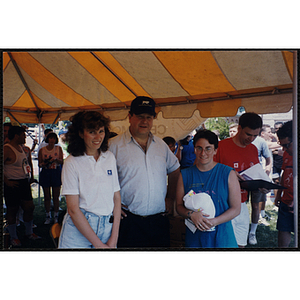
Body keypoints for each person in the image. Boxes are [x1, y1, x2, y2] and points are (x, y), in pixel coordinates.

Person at [109, 96, 180, 248]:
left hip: (159, 221)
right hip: (128, 221)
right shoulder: (113, 146)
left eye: (149, 117)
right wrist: (111, 204)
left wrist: (170, 197)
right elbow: (100, 178)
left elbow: (174, 169)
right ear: (130, 117)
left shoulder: (161, 145)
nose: (145, 121)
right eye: (140, 116)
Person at [58, 111, 121, 249]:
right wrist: (99, 245)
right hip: (78, 231)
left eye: (101, 131)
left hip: (107, 228)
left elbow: (116, 198)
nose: (98, 137)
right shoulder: (72, 162)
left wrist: (114, 238)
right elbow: (73, 209)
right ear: (80, 133)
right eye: (92, 132)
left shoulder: (109, 157)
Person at [176, 130, 241, 248]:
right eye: (199, 148)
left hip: (222, 237)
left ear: (215, 150)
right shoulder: (185, 175)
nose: (203, 153)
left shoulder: (228, 173)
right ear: (194, 149)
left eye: (208, 148)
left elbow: (236, 209)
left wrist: (213, 222)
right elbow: (179, 206)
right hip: (195, 238)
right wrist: (190, 214)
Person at [214, 112, 263, 248]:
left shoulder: (253, 149)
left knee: (240, 245)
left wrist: (260, 185)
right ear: (239, 128)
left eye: (255, 135)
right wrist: (228, 174)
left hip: (242, 204)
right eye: (248, 134)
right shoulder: (221, 147)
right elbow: (207, 172)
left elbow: (255, 173)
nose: (252, 139)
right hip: (221, 204)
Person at [4, 126, 41, 247]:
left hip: (23, 182)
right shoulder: (7, 149)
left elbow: (26, 163)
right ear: (16, 136)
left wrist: (30, 177)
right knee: (12, 210)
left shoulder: (21, 148)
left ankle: (29, 232)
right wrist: (7, 181)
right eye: (23, 135)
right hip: (12, 184)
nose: (25, 137)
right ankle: (13, 237)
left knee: (29, 207)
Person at [248, 128, 272, 244]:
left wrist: (266, 175)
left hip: (257, 178)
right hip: (240, 179)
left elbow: (268, 159)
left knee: (255, 206)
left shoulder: (261, 142)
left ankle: (252, 232)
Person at [274, 121, 294, 247]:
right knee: (283, 229)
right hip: (286, 201)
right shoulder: (287, 153)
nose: (284, 149)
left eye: (286, 145)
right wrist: (278, 195)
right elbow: (284, 174)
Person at [38, 132, 64, 224]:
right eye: (50, 138)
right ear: (47, 139)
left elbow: (62, 161)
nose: (52, 140)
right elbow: (39, 164)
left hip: (56, 172)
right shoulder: (42, 150)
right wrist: (45, 163)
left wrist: (57, 160)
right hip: (46, 172)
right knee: (47, 196)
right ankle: (47, 216)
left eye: (54, 138)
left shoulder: (58, 148)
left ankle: (56, 216)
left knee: (56, 196)